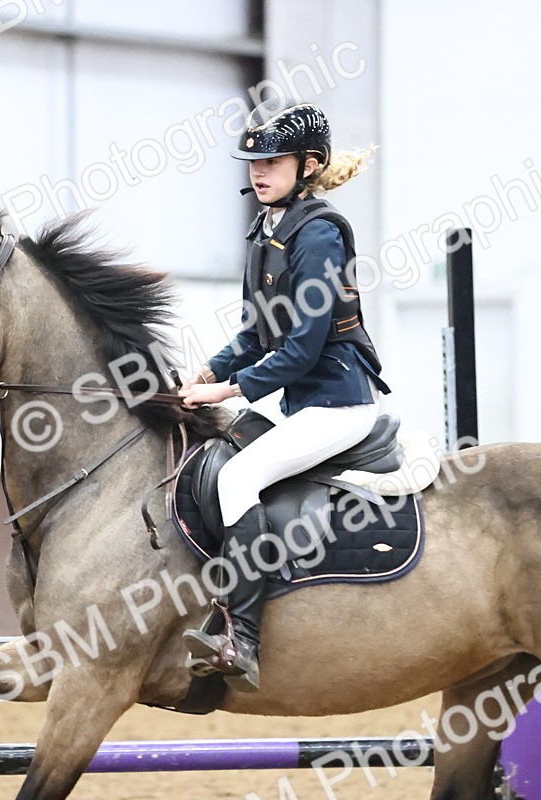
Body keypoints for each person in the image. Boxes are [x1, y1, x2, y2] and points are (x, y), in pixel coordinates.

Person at [177, 97, 391, 692]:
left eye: (273, 162)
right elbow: (254, 333)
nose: (259, 172)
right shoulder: (265, 232)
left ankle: (241, 637)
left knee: (235, 480)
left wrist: (229, 389)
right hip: (303, 404)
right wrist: (204, 371)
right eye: (253, 163)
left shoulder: (318, 233)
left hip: (340, 404)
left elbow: (302, 347)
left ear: (309, 165)